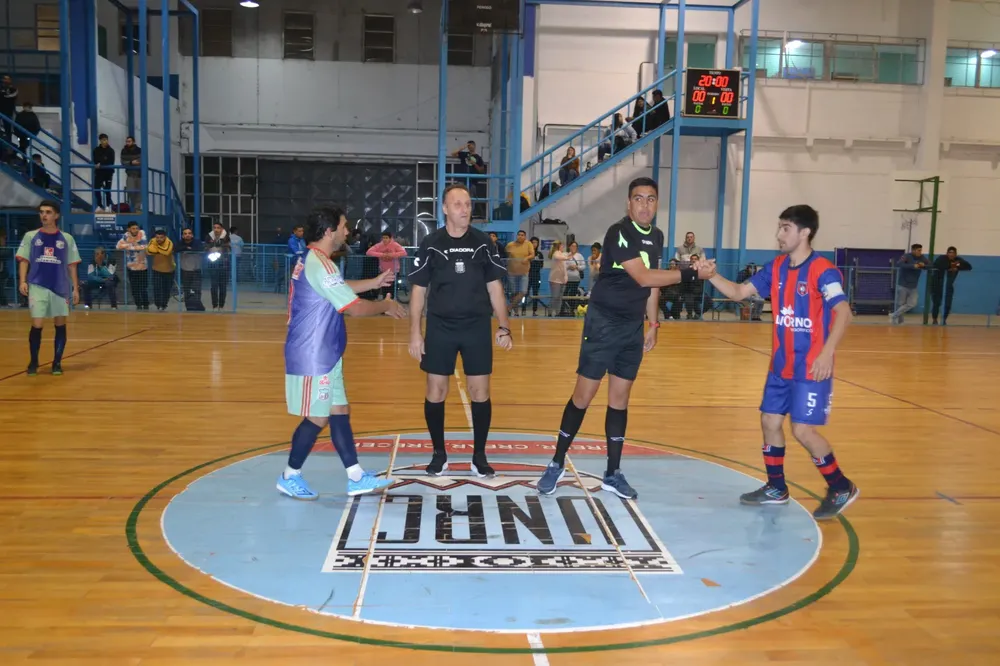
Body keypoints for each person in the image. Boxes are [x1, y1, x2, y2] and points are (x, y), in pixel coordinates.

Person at [535, 177, 712, 499]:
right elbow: (642, 276)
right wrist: (691, 272)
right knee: (583, 396)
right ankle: (557, 462)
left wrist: (653, 323)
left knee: (620, 400)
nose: (645, 205)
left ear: (657, 204)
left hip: (631, 327)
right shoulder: (619, 232)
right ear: (629, 203)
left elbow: (652, 284)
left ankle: (612, 473)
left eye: (651, 199)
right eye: (638, 198)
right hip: (603, 324)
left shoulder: (657, 236)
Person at [698, 204, 859, 520]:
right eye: (779, 227)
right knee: (769, 422)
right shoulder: (776, 268)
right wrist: (712, 275)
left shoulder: (823, 271)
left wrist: (826, 353)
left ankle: (841, 486)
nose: (778, 234)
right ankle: (776, 487)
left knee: (802, 430)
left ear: (805, 232)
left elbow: (844, 312)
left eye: (785, 228)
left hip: (811, 367)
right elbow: (739, 293)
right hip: (780, 366)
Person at [278, 206, 408, 500]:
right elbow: (356, 309)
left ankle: (356, 476)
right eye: (343, 226)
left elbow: (338, 287)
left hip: (326, 351)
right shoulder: (321, 264)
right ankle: (289, 475)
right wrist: (385, 305)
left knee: (339, 411)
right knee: (317, 417)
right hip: (313, 354)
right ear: (329, 231)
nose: (347, 232)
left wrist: (373, 283)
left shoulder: (315, 260)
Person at [407, 183, 512, 478]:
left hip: (476, 327)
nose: (465, 210)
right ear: (444, 208)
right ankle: (439, 454)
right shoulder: (431, 243)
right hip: (440, 327)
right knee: (436, 390)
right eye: (457, 204)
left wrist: (504, 326)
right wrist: (415, 332)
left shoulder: (483, 242)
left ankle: (479, 456)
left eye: (467, 204)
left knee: (480, 391)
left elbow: (495, 288)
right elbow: (418, 292)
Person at [16, 200, 81, 376]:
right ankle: (33, 361)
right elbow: (23, 260)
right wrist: (23, 281)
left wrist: (75, 288)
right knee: (37, 323)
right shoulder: (31, 236)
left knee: (60, 324)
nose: (44, 215)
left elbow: (72, 265)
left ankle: (57, 362)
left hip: (60, 286)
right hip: (37, 285)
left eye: (48, 212)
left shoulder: (66, 238)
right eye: (42, 212)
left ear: (56, 215)